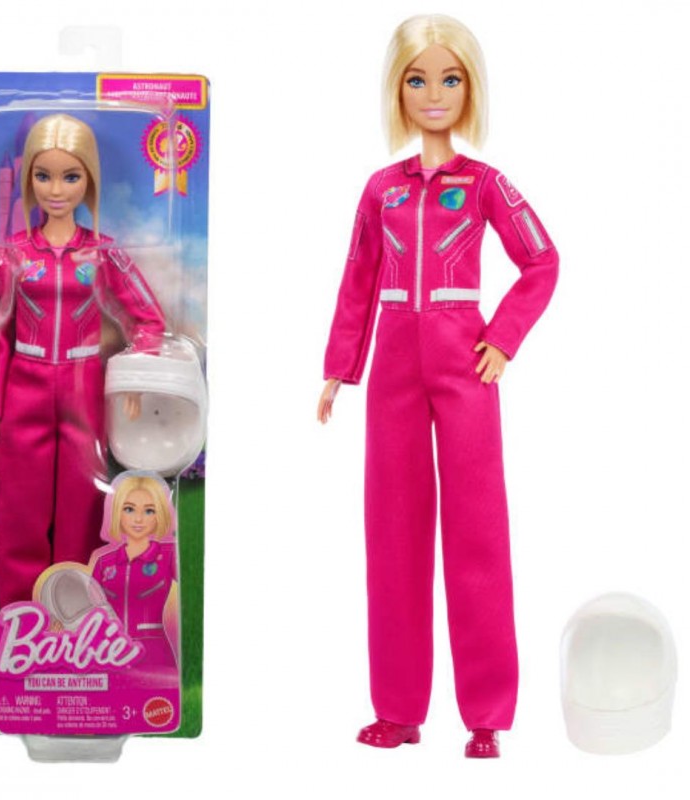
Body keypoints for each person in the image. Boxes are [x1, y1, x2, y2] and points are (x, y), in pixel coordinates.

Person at [318, 15, 558, 757]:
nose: (433, 94)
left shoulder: (485, 185)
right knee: (391, 531)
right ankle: (398, 710)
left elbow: (542, 261)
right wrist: (338, 369)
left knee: (477, 532)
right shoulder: (380, 190)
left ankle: (486, 714)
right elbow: (359, 280)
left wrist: (503, 339)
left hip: (464, 363)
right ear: (397, 90)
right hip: (393, 365)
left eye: (449, 79)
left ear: (469, 87)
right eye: (417, 80)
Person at [0, 114, 165, 608]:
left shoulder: (103, 252)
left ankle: (75, 614)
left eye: (70, 176)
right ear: (28, 179)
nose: (56, 189)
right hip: (25, 385)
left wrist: (133, 378)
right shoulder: (14, 254)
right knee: (21, 509)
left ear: (89, 179)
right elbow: (0, 332)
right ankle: (20, 615)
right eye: (43, 176)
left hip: (84, 385)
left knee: (82, 508)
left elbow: (148, 318)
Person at [90, 472, 179, 686]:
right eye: (129, 509)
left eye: (149, 511)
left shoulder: (169, 554)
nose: (138, 519)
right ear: (116, 512)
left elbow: (194, 595)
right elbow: (89, 610)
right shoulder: (104, 562)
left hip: (155, 653)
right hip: (108, 651)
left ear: (160, 515)